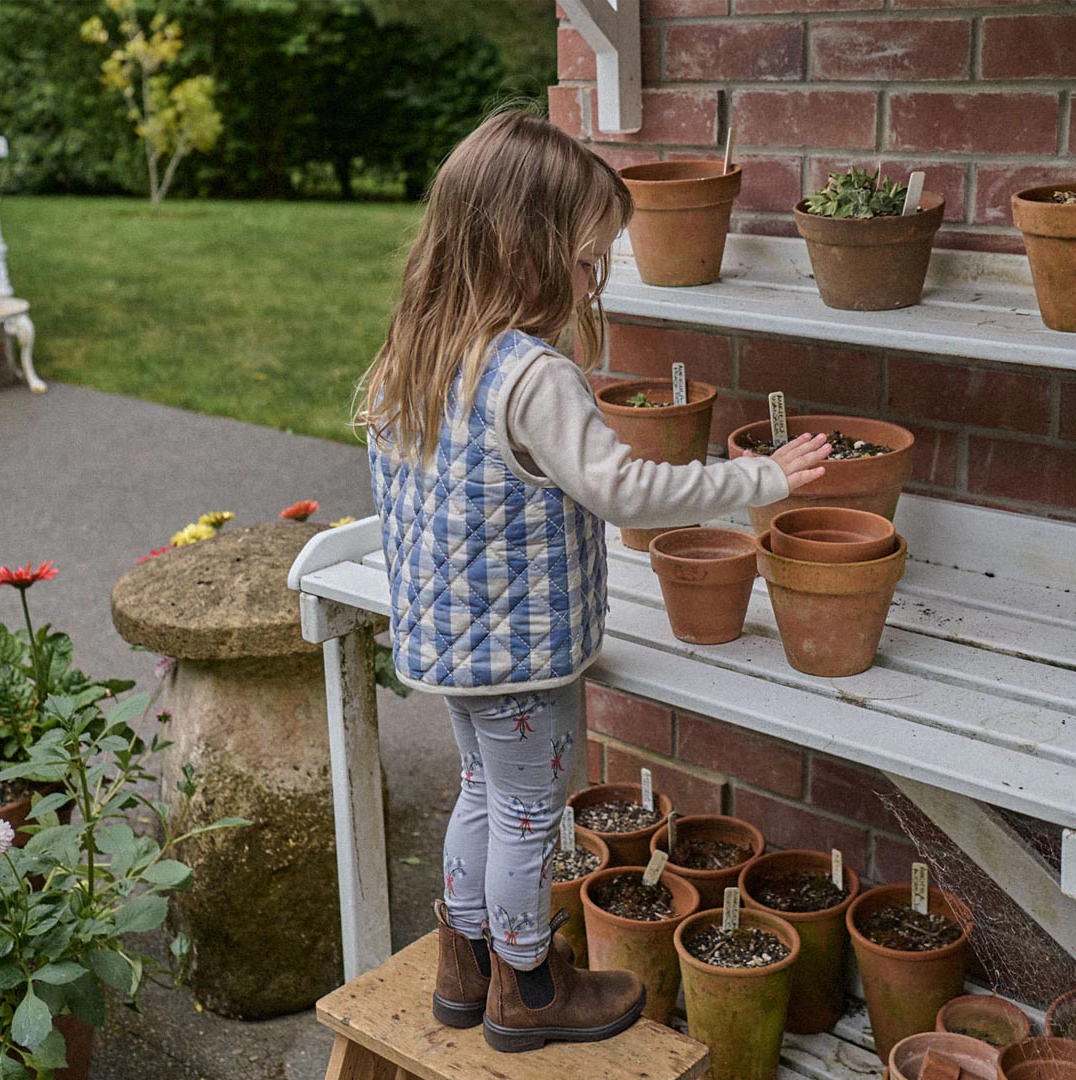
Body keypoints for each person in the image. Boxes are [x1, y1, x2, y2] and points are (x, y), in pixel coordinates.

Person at [359, 107, 830, 1053]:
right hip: (524, 661)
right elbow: (622, 489)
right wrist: (763, 479)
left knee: (481, 798)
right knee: (531, 817)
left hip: (447, 648)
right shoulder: (531, 375)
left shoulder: (418, 347)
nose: (591, 282)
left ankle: (464, 966)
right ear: (522, 250)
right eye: (584, 263)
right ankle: (527, 989)